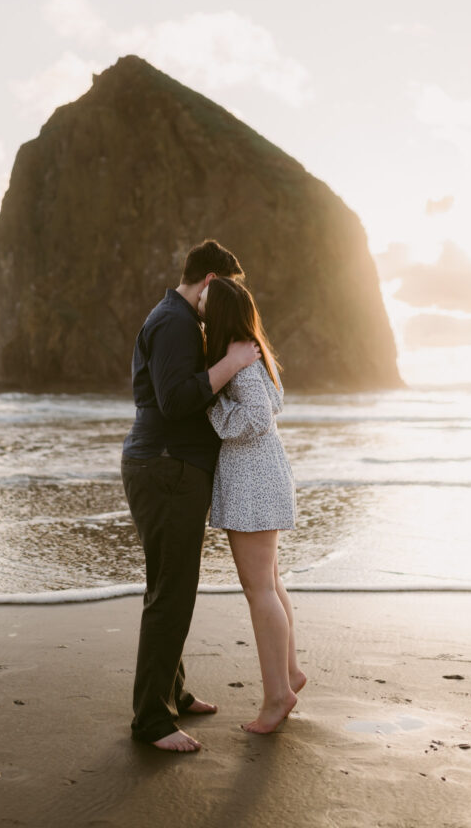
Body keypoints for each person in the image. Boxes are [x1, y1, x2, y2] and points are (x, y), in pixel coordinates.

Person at [121, 240, 260, 753]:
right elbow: (176, 399)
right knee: (171, 595)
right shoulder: (176, 323)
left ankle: (171, 694)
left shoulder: (177, 319)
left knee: (170, 588)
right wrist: (233, 362)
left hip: (166, 469)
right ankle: (151, 722)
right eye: (223, 290)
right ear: (208, 283)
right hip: (166, 470)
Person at [199, 276, 305, 734]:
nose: (198, 307)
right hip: (261, 474)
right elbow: (272, 406)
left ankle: (278, 695)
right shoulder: (252, 350)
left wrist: (212, 409)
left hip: (254, 480)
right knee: (270, 583)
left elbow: (258, 417)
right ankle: (291, 672)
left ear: (219, 311)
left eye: (204, 302)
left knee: (258, 588)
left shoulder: (239, 358)